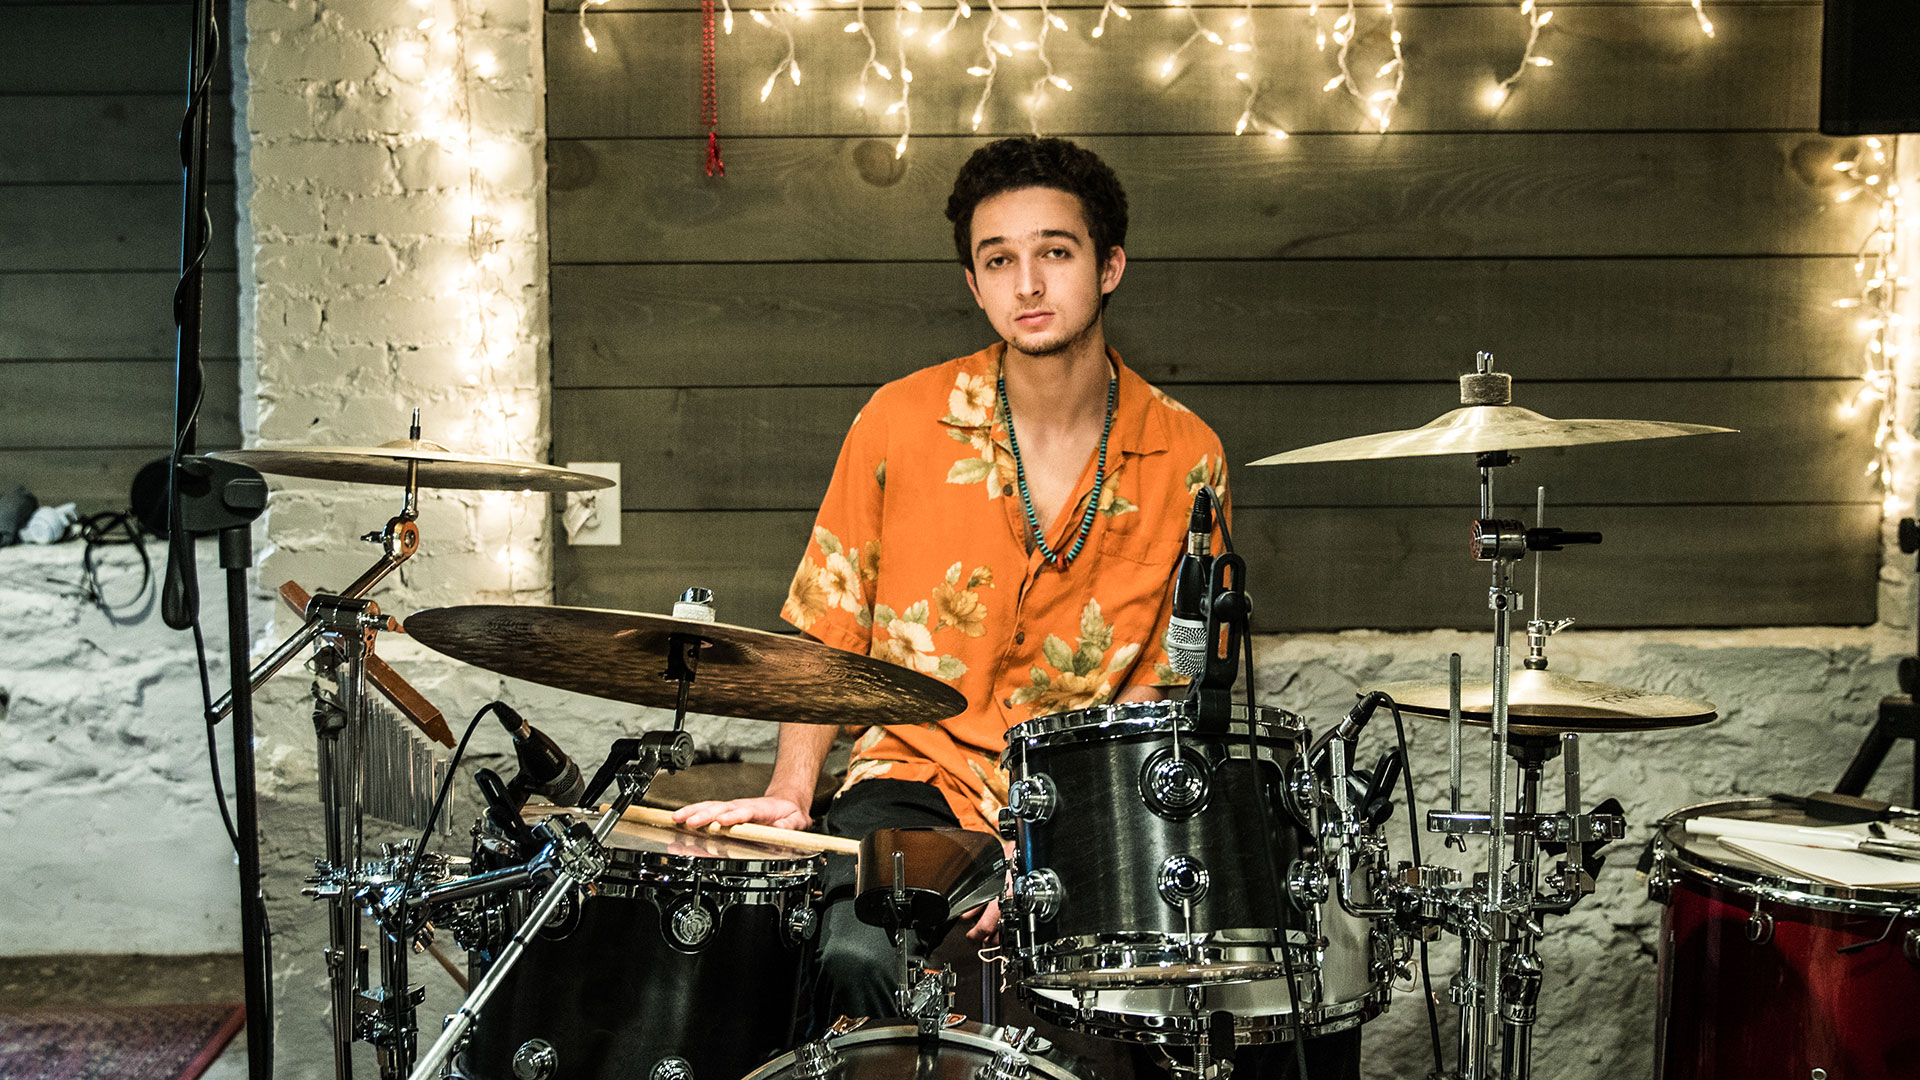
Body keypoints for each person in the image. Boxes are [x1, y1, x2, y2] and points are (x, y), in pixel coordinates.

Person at [676, 137, 1358, 1079]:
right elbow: (829, 623)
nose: (1027, 281)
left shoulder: (1189, 453)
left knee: (1171, 1006)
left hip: (1090, 805)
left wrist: (1051, 847)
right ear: (975, 282)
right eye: (999, 259)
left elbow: (1179, 684)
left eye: (1056, 251)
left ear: (1109, 265)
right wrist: (794, 793)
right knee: (852, 954)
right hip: (913, 776)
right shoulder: (897, 422)